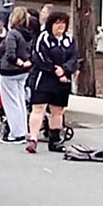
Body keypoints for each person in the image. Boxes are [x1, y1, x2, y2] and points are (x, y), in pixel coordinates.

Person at [28, 12, 79, 152]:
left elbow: (74, 58)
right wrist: (53, 69)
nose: (60, 26)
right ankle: (33, 138)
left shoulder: (69, 40)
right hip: (44, 78)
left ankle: (55, 140)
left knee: (58, 111)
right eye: (57, 23)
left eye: (63, 23)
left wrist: (65, 69)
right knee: (38, 108)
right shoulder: (43, 38)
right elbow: (39, 56)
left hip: (62, 80)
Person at [0, 7, 34, 144]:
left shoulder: (13, 34)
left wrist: (19, 62)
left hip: (9, 71)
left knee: (11, 102)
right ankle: (23, 130)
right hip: (23, 72)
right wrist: (27, 63)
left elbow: (10, 54)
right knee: (20, 101)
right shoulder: (28, 34)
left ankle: (16, 133)